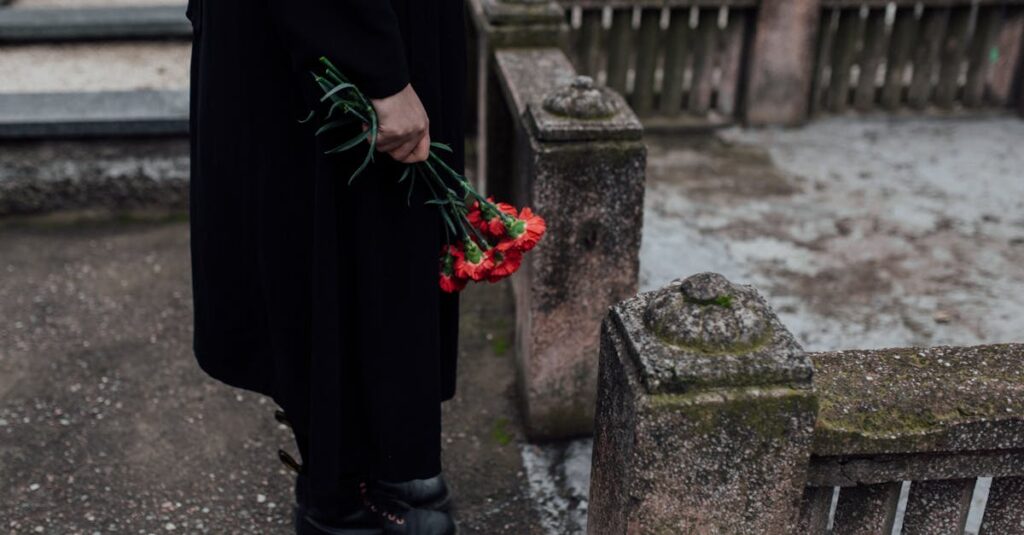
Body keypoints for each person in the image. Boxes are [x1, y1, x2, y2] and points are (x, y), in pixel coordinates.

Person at [186, 0, 464, 533]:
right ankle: (337, 492)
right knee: (329, 244)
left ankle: (387, 454)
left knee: (381, 241)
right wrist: (378, 72)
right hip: (320, 36)